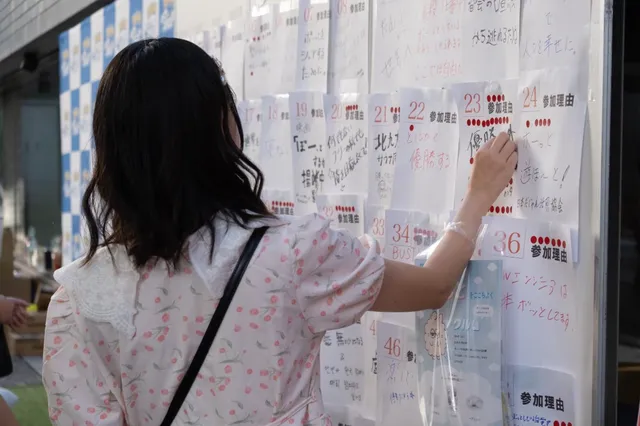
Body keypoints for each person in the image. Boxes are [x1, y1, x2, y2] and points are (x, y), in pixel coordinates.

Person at [42, 38, 517, 426]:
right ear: (219, 125)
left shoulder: (77, 300)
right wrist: (478, 196)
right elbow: (433, 285)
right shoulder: (291, 253)